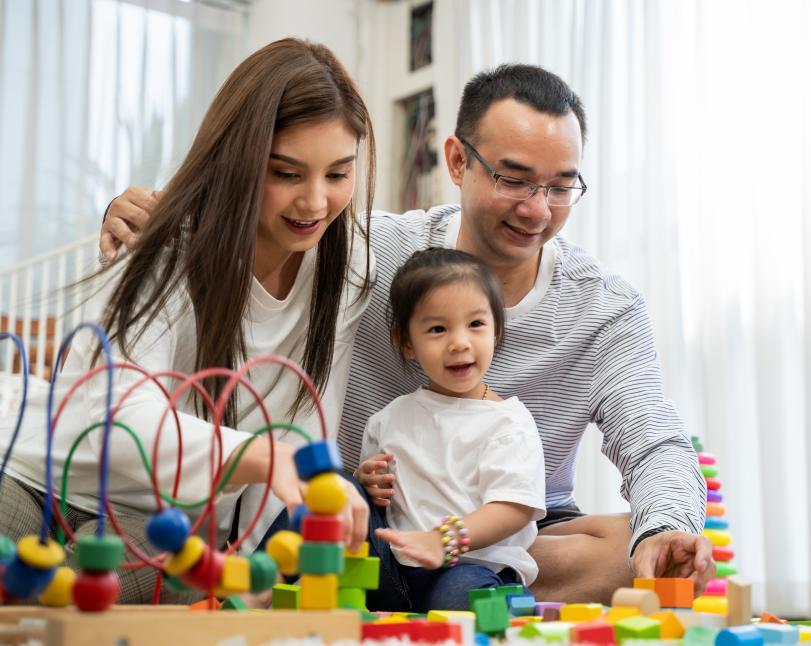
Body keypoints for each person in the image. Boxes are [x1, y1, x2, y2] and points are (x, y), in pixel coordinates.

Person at [100, 64, 714, 604]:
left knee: (628, 543)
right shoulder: (373, 251)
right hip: (368, 513)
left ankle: (434, 585)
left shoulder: (603, 307)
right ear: (456, 160)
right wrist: (159, 217)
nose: (536, 208)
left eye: (560, 187)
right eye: (514, 178)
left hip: (509, 527)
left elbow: (654, 434)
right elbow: (271, 224)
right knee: (316, 518)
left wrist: (665, 523)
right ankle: (422, 585)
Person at [0, 38, 372, 603]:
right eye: (286, 173)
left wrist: (251, 576)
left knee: (80, 605)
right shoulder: (162, 242)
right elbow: (116, 424)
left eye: (338, 174)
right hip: (37, 475)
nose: (315, 202)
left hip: (162, 531)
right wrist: (263, 456)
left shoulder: (347, 268)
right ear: (240, 160)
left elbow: (306, 428)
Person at [353, 247, 545, 612]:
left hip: (467, 567)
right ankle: (258, 583)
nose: (459, 342)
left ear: (496, 330)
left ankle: (508, 604)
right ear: (406, 342)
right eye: (438, 329)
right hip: (392, 567)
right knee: (334, 487)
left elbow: (514, 506)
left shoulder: (507, 422)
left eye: (475, 324)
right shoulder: (389, 417)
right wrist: (366, 481)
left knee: (461, 599)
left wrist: (443, 541)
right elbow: (373, 503)